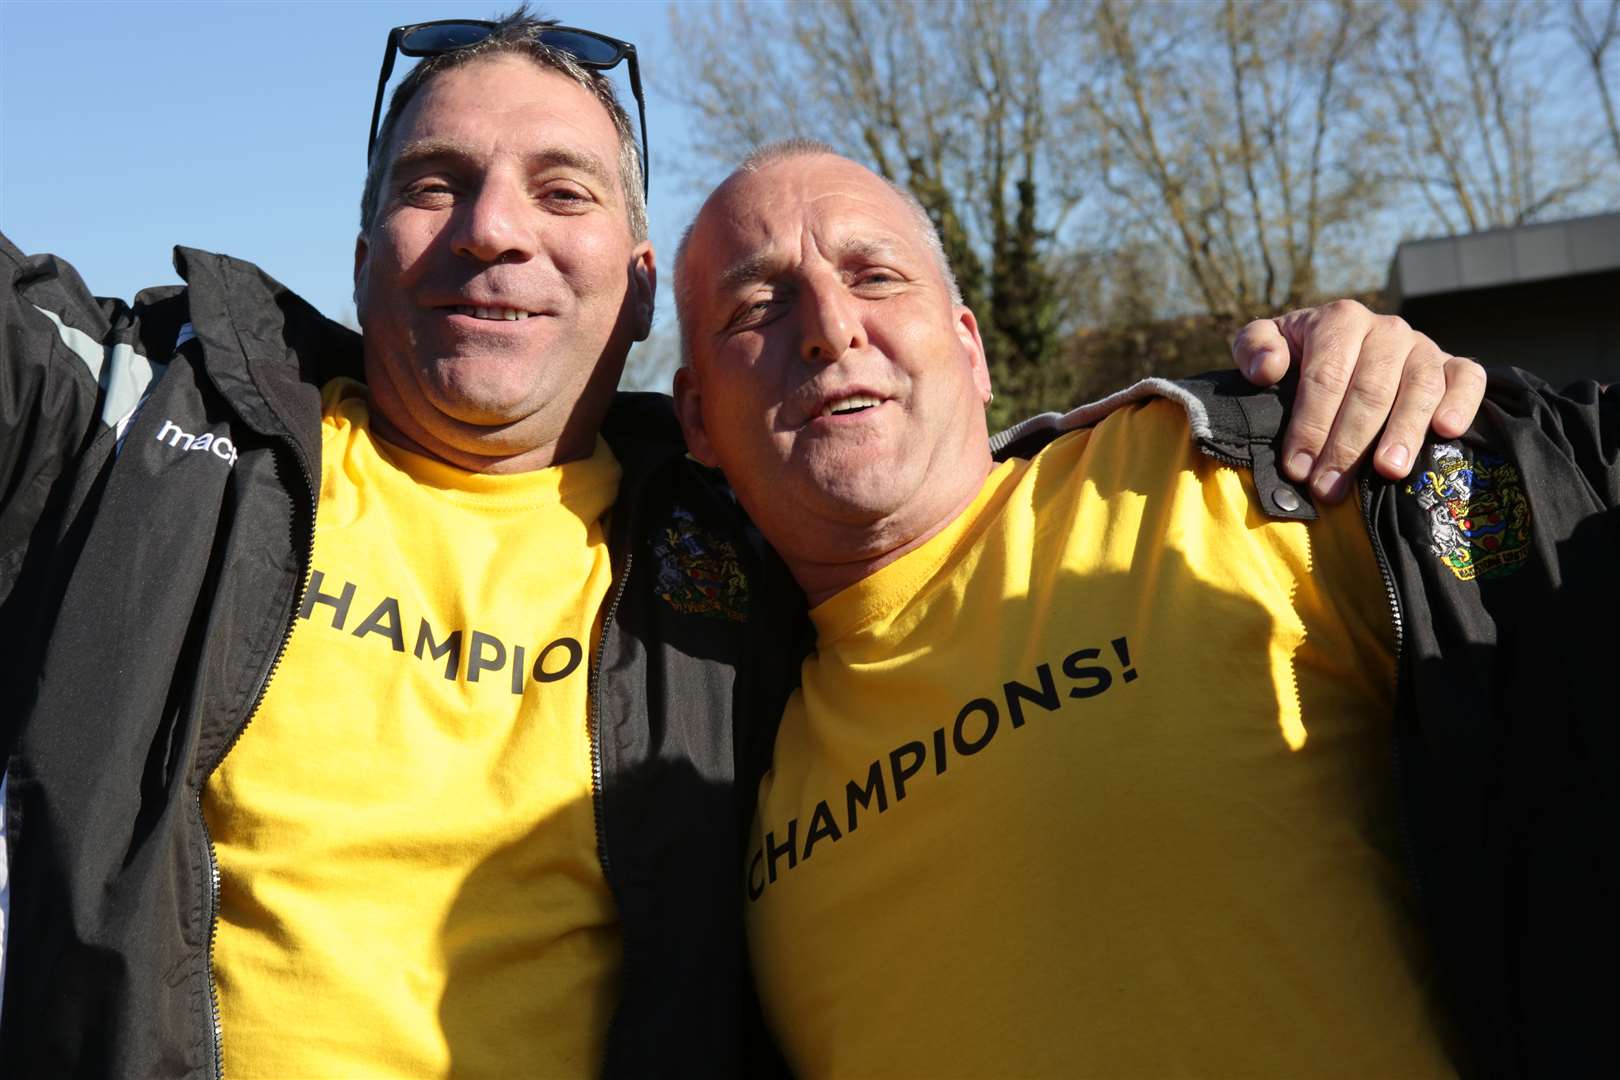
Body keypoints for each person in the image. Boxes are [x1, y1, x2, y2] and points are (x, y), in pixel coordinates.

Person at [0, 10, 1480, 1077]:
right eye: (434, 183)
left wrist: (1389, 388)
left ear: (638, 297)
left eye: (563, 189)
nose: (493, 230)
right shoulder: (149, 432)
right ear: (363, 244)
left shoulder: (730, 563)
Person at [671, 142, 1619, 1077]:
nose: (831, 328)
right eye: (758, 304)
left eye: (876, 276)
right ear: (697, 420)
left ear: (970, 347)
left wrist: (1468, 429)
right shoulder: (704, 748)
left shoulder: (1255, 466)